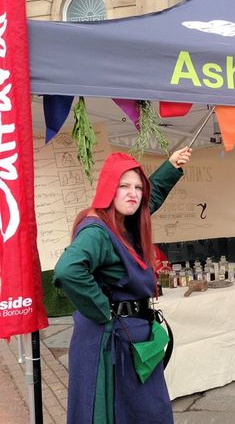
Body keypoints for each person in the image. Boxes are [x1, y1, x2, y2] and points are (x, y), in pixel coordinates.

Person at [53, 147, 192, 423]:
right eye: (124, 186)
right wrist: (102, 309)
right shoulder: (97, 231)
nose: (133, 193)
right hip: (112, 343)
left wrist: (171, 166)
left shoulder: (124, 221)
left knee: (148, 412)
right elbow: (68, 271)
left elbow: (147, 203)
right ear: (108, 189)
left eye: (138, 187)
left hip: (133, 340)